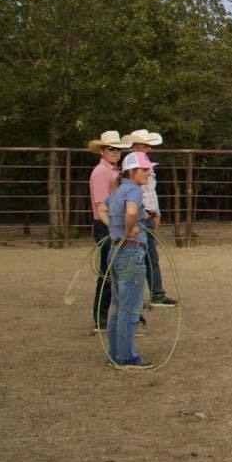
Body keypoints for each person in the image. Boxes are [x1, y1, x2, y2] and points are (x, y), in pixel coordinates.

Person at [103, 151, 157, 370]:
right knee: (130, 307)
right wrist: (129, 230)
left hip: (115, 251)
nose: (148, 172)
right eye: (144, 169)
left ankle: (116, 353)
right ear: (132, 171)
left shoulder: (118, 191)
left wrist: (114, 229)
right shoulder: (133, 191)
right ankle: (127, 357)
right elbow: (131, 212)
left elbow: (102, 208)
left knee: (117, 306)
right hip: (130, 252)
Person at [125, 129, 177, 308]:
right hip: (141, 216)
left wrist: (156, 213)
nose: (150, 149)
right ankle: (148, 295)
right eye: (146, 145)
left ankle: (155, 293)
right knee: (140, 257)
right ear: (136, 146)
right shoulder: (131, 167)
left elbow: (150, 192)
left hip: (148, 215)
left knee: (149, 256)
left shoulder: (146, 166)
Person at [87, 130, 129, 333]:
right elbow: (102, 205)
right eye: (111, 149)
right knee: (107, 273)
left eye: (118, 149)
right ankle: (101, 317)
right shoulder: (101, 172)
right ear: (102, 150)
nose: (115, 152)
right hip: (106, 225)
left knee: (114, 272)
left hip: (112, 224)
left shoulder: (112, 171)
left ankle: (109, 315)